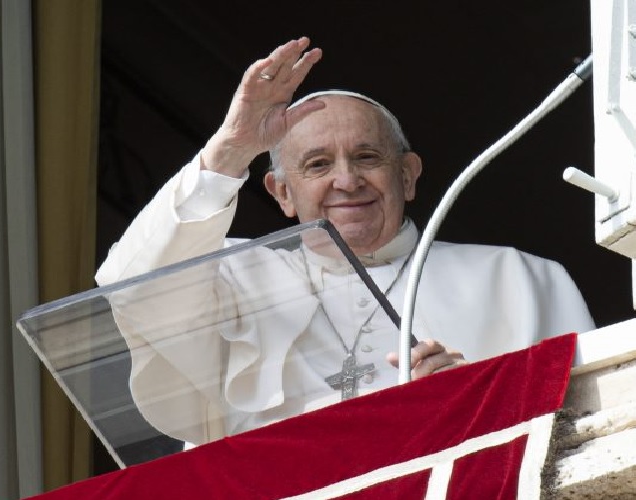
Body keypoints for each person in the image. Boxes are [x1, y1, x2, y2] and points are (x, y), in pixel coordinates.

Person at [95, 37, 595, 445]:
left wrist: (477, 404)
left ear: (409, 175)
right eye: (317, 165)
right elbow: (131, 286)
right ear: (282, 194)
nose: (346, 180)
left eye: (367, 157)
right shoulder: (236, 281)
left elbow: (591, 428)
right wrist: (230, 151)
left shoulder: (521, 278)